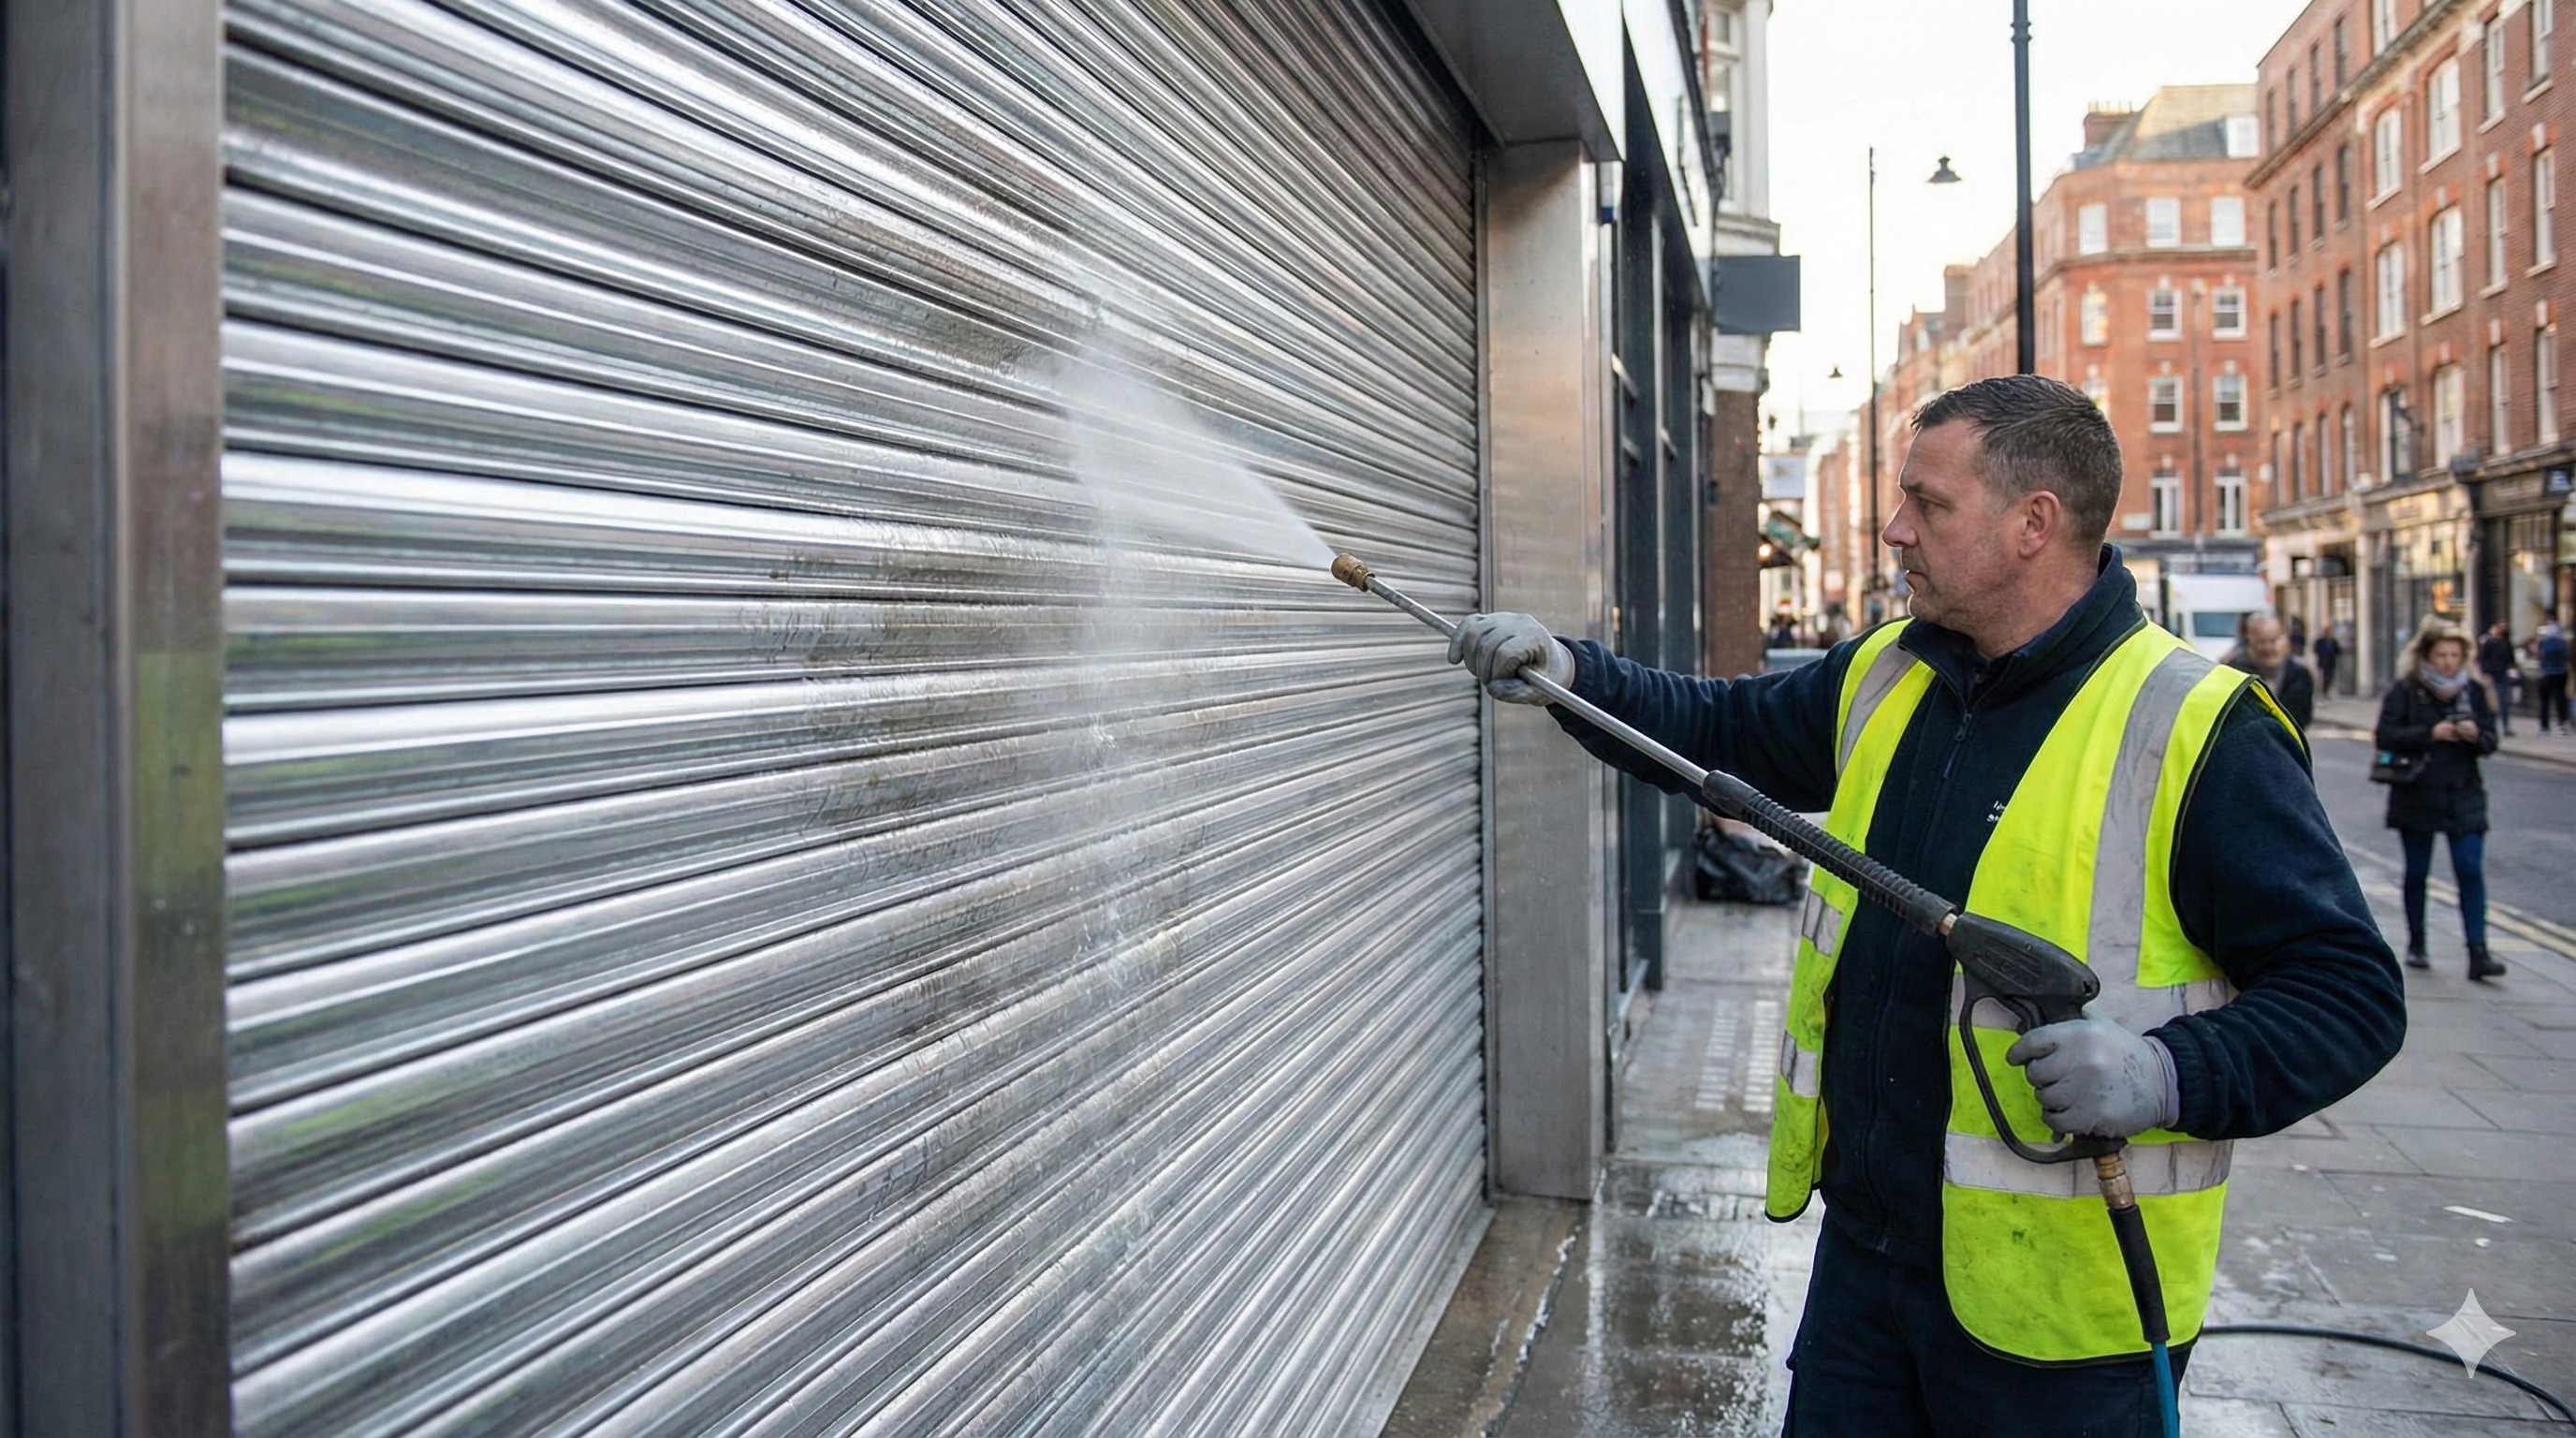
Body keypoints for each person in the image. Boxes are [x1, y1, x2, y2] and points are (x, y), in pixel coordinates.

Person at [1449, 375, 2404, 1438]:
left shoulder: (2196, 727)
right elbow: (1715, 730)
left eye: (1928, 504)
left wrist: (2167, 1071)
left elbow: (2349, 996)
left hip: (2064, 1330)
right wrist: (1570, 672)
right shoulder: (1887, 674)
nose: (1895, 529)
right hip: (1870, 1269)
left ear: (2032, 523)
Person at [2375, 619, 2505, 979]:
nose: (2448, 662)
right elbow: (2385, 736)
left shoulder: (2473, 692)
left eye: (2455, 655)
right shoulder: (2406, 690)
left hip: (2464, 793)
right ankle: (2417, 943)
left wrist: (2476, 733)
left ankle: (2478, 951)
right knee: (2418, 872)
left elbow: (2491, 742)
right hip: (2418, 793)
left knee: (2469, 869)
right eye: (2441, 655)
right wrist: (2430, 732)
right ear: (2426, 656)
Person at [2227, 612, 2314, 735]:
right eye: (2262, 642)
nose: (2268, 647)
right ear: (2249, 637)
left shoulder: (2298, 674)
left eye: (2273, 640)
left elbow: (2301, 715)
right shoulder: (2235, 671)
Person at [2476, 622, 2520, 737]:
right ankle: (2496, 726)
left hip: (2500, 673)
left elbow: (2511, 659)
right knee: (2495, 701)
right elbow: (2483, 658)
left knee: (2502, 701)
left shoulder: (2502, 643)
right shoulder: (2491, 642)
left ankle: (2502, 726)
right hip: (2494, 674)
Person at [2538, 622, 2571, 734]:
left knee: (2545, 701)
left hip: (2547, 673)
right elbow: (2567, 656)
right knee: (2560, 699)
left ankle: (2544, 726)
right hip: (2561, 672)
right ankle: (2561, 724)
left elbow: (2541, 657)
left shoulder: (2544, 642)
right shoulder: (2562, 643)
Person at [2313, 624, 2344, 696]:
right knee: (2324, 677)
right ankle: (2323, 691)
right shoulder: (2320, 641)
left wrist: (2334, 653)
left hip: (2331, 662)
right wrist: (2322, 653)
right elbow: (2315, 649)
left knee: (2330, 677)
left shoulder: (2333, 641)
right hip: (2323, 661)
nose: (2328, 633)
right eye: (2327, 631)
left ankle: (2326, 690)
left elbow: (2338, 650)